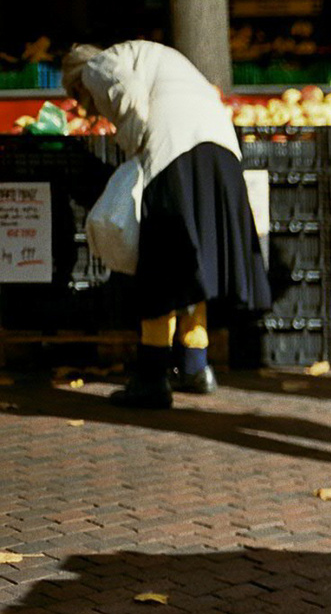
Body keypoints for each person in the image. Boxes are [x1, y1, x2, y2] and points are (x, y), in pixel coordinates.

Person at [62, 42, 271, 409]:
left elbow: (129, 101)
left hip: (174, 153)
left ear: (78, 82)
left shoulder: (98, 65)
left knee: (160, 265)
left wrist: (133, 147)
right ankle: (195, 367)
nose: (86, 106)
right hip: (220, 151)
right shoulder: (151, 56)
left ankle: (152, 377)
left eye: (80, 97)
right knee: (191, 265)